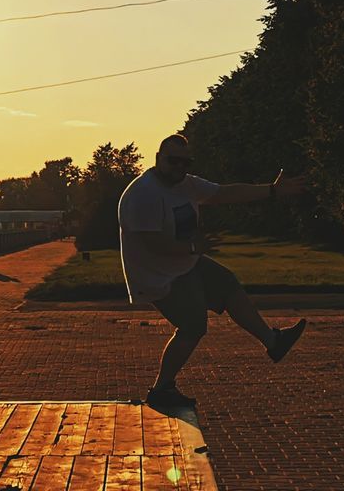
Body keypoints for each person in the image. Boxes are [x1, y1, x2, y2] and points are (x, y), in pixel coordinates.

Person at [118, 133, 308, 409]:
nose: (180, 168)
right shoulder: (142, 194)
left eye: (186, 162)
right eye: (173, 161)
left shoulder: (187, 184)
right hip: (157, 276)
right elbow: (153, 243)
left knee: (227, 284)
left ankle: (273, 341)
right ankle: (162, 389)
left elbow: (223, 193)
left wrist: (271, 190)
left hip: (186, 262)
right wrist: (194, 247)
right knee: (193, 327)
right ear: (158, 159)